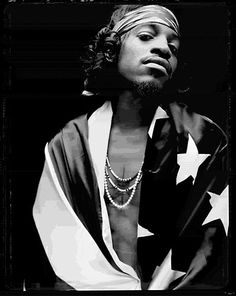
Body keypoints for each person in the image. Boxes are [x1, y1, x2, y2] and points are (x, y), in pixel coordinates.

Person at [32, 4, 229, 291]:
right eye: (147, 36)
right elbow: (57, 246)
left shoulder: (204, 137)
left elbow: (210, 249)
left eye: (173, 48)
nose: (164, 49)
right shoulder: (69, 143)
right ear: (112, 50)